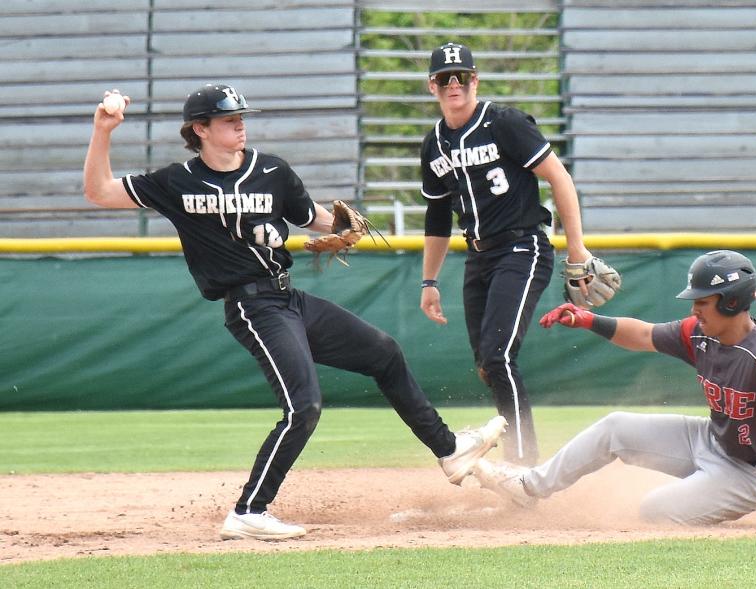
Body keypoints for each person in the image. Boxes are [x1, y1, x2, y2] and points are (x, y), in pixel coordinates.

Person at [82, 83, 507, 541]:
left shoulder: (271, 170)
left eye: (241, 116)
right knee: (302, 406)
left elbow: (315, 218)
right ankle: (249, 511)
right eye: (228, 119)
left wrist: (347, 226)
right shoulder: (177, 181)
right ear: (199, 129)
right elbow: (99, 192)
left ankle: (450, 452)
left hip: (289, 298)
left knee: (383, 351)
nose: (240, 123)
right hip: (250, 306)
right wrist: (103, 131)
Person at [471, 250, 756, 529]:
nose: (694, 309)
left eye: (703, 301)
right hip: (709, 441)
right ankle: (530, 488)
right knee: (615, 427)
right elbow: (645, 334)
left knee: (654, 511)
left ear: (730, 302)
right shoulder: (698, 333)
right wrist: (587, 320)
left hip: (751, 474)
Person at [418, 42, 597, 466]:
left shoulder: (505, 123)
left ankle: (525, 465)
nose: (454, 85)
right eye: (445, 79)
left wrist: (577, 249)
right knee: (487, 363)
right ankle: (522, 460)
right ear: (432, 87)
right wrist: (429, 281)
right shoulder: (434, 145)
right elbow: (438, 217)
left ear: (475, 80)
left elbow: (559, 178)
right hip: (478, 256)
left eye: (462, 77)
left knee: (498, 357)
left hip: (523, 245)